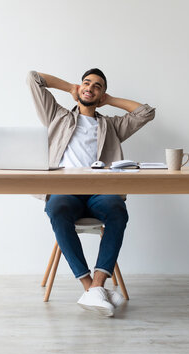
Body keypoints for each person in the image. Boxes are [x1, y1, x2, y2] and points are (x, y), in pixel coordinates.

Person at [27, 69, 156, 317]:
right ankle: (90, 288)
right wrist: (71, 88)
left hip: (100, 193)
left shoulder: (111, 125)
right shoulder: (57, 116)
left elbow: (146, 113)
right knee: (56, 208)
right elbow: (33, 78)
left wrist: (109, 100)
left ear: (102, 94)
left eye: (97, 86)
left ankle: (97, 286)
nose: (90, 87)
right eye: (87, 83)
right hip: (65, 192)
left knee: (118, 210)